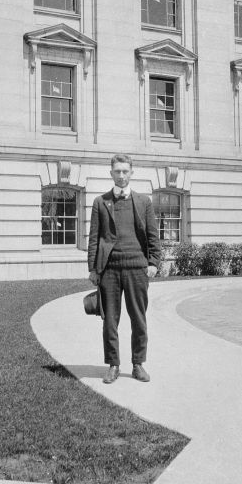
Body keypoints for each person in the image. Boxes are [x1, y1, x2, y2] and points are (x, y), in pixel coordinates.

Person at [88, 154, 161, 384]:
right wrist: (93, 269)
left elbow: (152, 236)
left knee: (139, 318)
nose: (121, 175)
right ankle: (113, 365)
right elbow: (94, 238)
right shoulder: (101, 202)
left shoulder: (143, 202)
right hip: (109, 269)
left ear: (131, 173)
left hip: (137, 269)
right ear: (111, 173)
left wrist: (153, 263)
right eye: (117, 171)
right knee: (110, 320)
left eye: (125, 171)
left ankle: (138, 364)